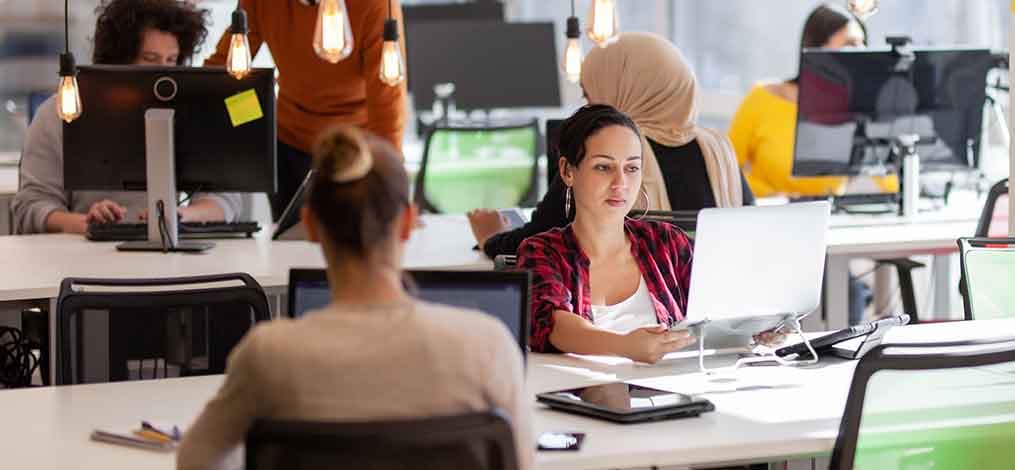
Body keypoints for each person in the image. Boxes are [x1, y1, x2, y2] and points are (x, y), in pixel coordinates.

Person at [177, 126, 532, 469]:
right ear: (408, 223)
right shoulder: (487, 346)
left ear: (311, 226)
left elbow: (195, 461)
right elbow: (520, 463)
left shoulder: (268, 354)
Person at [470, 32, 754, 258]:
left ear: (622, 89)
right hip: (719, 316)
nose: (589, 108)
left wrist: (490, 237)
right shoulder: (719, 149)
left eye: (590, 96)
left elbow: (532, 245)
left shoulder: (608, 149)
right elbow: (753, 236)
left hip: (625, 314)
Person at [11, 0, 240, 234]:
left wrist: (179, 216)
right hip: (84, 259)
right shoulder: (59, 113)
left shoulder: (186, 115)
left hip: (169, 260)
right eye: (150, 59)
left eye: (171, 60)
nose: (163, 71)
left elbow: (226, 200)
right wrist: (87, 224)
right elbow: (31, 206)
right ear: (118, 60)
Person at [517, 104, 696, 363]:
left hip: (677, 392)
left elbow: (717, 310)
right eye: (604, 167)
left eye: (631, 168)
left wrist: (764, 326)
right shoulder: (542, 252)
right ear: (568, 171)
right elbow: (553, 325)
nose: (620, 183)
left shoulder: (667, 242)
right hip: (588, 396)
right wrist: (624, 346)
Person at [204, 0, 406, 221]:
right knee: (289, 244)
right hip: (289, 144)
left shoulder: (377, 5)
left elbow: (387, 100)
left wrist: (393, 186)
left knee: (353, 241)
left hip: (355, 147)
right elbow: (224, 69)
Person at [728, 3, 896, 198]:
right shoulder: (762, 99)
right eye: (850, 44)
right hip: (770, 215)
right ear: (816, 49)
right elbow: (725, 173)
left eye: (862, 44)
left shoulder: (858, 109)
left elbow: (889, 178)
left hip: (829, 219)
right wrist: (774, 196)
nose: (861, 54)